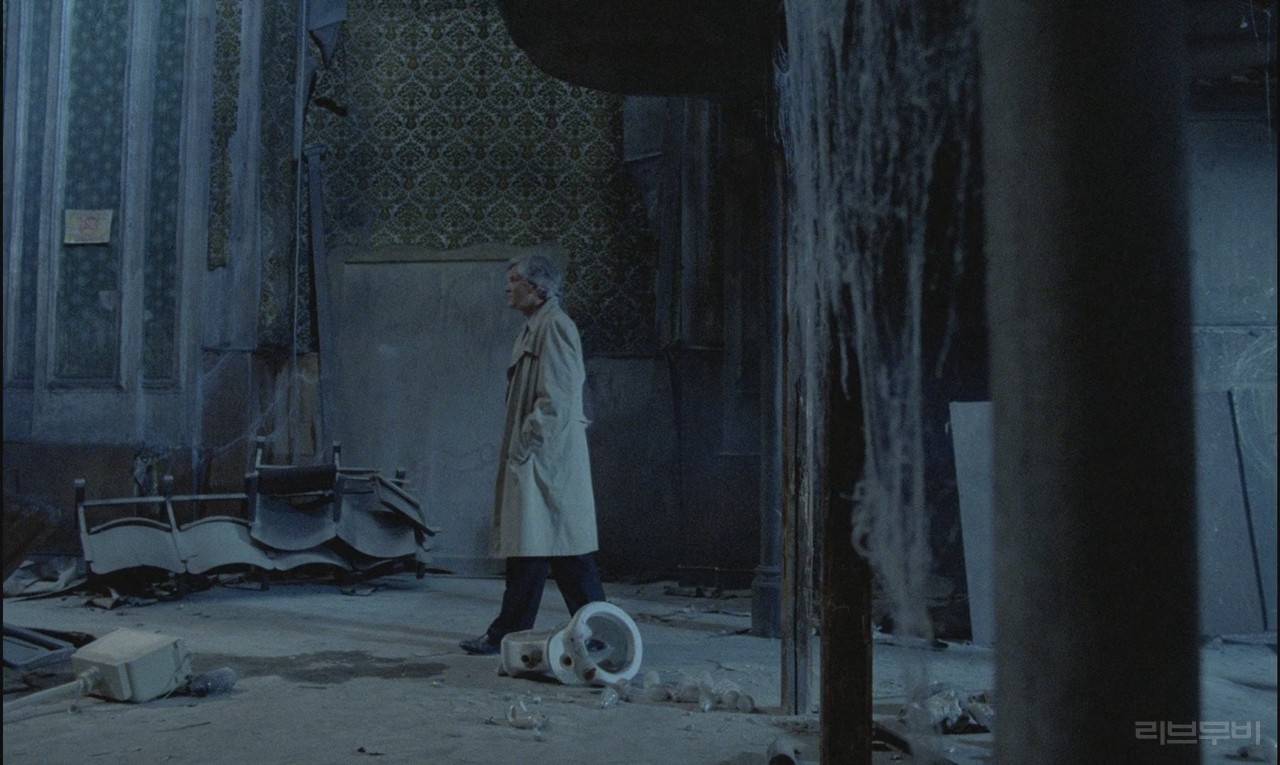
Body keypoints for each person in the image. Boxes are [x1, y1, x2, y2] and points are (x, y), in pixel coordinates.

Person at [459, 250, 607, 655]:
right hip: (541, 460)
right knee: (535, 547)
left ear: (537, 287)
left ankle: (597, 631)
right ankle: (510, 632)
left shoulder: (554, 326)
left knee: (559, 549)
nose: (506, 287)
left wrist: (527, 443)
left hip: (547, 460)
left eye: (514, 280)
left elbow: (557, 399)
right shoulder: (536, 326)